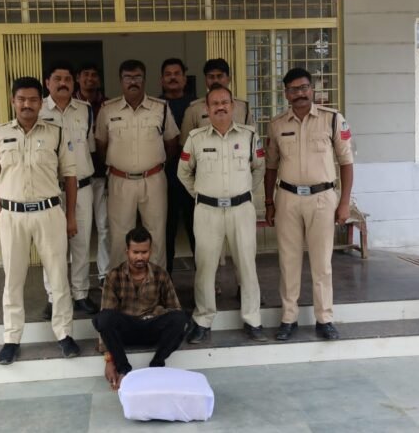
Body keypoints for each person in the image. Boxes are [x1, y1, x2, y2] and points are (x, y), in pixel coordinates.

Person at [0, 76, 81, 364]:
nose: (27, 104)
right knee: (13, 279)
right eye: (22, 99)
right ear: (13, 101)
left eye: (33, 99)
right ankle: (11, 338)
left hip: (49, 213)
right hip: (12, 216)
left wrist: (70, 217)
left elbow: (70, 177)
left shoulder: (56, 133)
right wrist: (0, 214)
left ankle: (64, 334)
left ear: (41, 102)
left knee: (58, 276)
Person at [264, 67, 354, 341]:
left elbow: (346, 162)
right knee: (288, 261)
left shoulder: (332, 119)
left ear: (312, 89)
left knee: (321, 262)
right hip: (288, 198)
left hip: (322, 198)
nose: (300, 94)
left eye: (304, 88)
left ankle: (324, 319)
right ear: (286, 94)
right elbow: (270, 167)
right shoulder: (277, 125)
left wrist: (344, 202)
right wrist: (269, 202)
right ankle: (288, 318)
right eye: (293, 89)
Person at [178, 84, 267, 343]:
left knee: (247, 265)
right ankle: (203, 319)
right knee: (205, 267)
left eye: (225, 102)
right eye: (215, 103)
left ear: (233, 106)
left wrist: (244, 192)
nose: (220, 107)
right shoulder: (196, 138)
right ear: (207, 108)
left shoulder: (249, 136)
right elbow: (183, 172)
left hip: (241, 210)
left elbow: (259, 168)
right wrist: (201, 194)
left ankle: (253, 319)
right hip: (207, 211)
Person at [94, 59, 180, 272]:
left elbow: (172, 143)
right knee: (119, 236)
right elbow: (101, 145)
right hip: (120, 181)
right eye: (128, 77)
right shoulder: (108, 109)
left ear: (144, 79)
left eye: (137, 77)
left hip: (154, 180)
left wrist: (154, 164)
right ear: (121, 81)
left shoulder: (160, 108)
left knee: (156, 233)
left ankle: (156, 283)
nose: (133, 82)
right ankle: (120, 283)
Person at [94, 226, 187, 390]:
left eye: (144, 252)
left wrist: (160, 313)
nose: (140, 257)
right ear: (127, 251)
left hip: (152, 328)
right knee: (103, 318)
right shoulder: (114, 276)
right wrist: (109, 359)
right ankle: (124, 369)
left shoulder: (160, 274)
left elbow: (174, 308)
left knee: (180, 318)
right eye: (135, 252)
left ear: (150, 251)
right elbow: (107, 315)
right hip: (126, 331)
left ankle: (157, 365)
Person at [40, 61, 99, 319]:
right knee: (52, 247)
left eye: (67, 79)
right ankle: (54, 297)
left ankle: (81, 294)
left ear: (73, 83)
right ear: (47, 83)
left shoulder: (85, 110)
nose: (63, 83)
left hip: (83, 187)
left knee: (81, 243)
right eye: (57, 78)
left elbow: (89, 147)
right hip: (51, 189)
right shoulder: (38, 110)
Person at [158, 58, 197, 275]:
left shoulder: (197, 106)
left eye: (177, 73)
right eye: (168, 74)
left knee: (197, 231)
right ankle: (166, 279)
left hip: (194, 180)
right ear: (161, 79)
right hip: (164, 179)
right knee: (166, 231)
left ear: (184, 78)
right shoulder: (155, 107)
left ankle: (204, 281)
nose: (172, 77)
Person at [75, 62, 110, 285]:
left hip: (103, 175)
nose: (90, 78)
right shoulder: (71, 106)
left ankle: (105, 274)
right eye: (85, 74)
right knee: (80, 231)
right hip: (78, 179)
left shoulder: (108, 106)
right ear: (78, 78)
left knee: (105, 226)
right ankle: (79, 281)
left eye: (94, 75)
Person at [179, 58, 254, 147]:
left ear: (228, 79)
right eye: (211, 77)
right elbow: (186, 144)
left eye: (220, 76)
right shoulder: (194, 109)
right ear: (205, 80)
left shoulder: (243, 108)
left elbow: (253, 140)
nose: (215, 80)